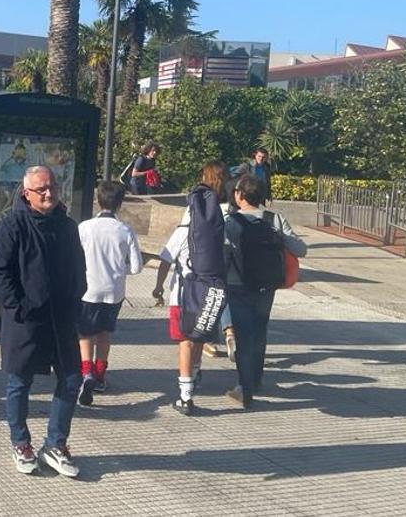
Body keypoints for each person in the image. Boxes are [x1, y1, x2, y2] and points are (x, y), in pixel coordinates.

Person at [0, 165, 84, 478]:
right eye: (41, 189)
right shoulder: (13, 224)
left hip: (62, 318)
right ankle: (21, 443)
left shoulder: (68, 226)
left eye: (52, 186)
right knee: (20, 382)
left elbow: (78, 269)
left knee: (71, 379)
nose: (48, 193)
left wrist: (76, 296)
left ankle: (56, 443)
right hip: (27, 320)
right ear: (26, 194)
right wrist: (19, 306)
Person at [151, 161, 231, 415]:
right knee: (198, 338)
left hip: (183, 294)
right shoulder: (220, 223)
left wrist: (158, 287)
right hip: (210, 290)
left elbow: (165, 258)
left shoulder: (184, 230)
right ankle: (194, 376)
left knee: (185, 341)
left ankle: (185, 396)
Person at [223, 174, 307, 408]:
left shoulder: (229, 221)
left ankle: (244, 385)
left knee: (242, 333)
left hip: (237, 284)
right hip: (266, 285)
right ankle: (256, 377)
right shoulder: (274, 219)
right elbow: (301, 250)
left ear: (239, 195)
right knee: (259, 330)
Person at [75, 180, 144, 406]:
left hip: (89, 288)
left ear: (98, 200)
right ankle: (100, 375)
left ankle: (85, 374)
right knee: (104, 332)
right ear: (120, 203)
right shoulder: (125, 230)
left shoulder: (84, 228)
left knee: (85, 334)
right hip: (114, 291)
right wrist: (118, 270)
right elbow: (136, 267)